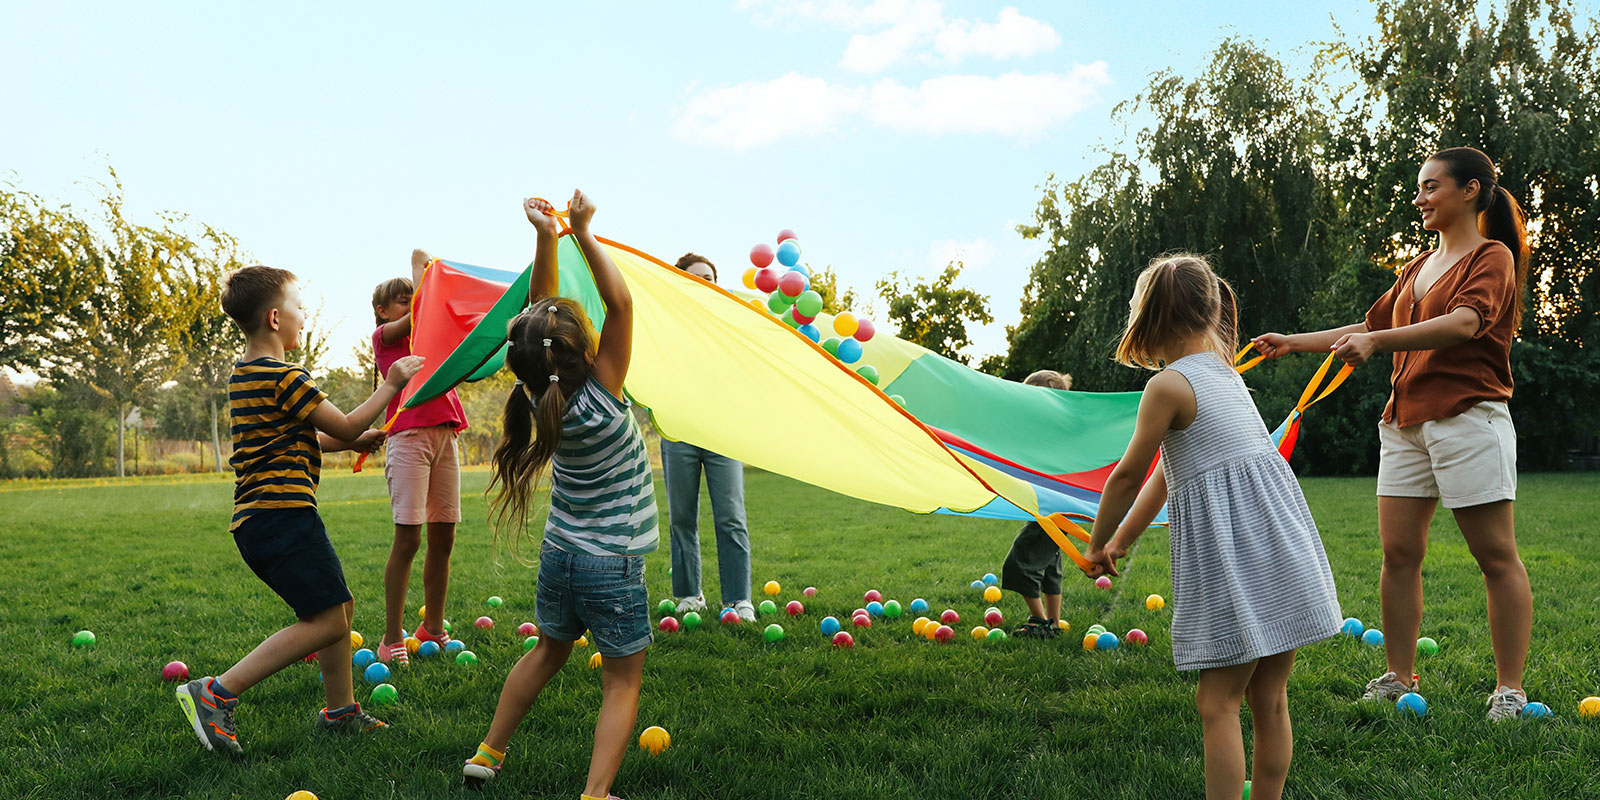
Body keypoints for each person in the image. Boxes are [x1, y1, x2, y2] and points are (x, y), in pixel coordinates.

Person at [1252, 146, 1535, 720]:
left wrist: (1378, 344)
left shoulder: (1492, 256)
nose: (1420, 197)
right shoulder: (1416, 267)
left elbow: (1465, 323)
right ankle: (1398, 675)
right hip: (1404, 423)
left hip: (1468, 418)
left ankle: (1509, 689)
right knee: (1398, 554)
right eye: (1420, 187)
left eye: (1432, 186)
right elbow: (1372, 325)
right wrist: (1293, 341)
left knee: (1495, 555)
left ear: (1471, 190)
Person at [1084, 254, 1340, 800]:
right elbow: (1168, 473)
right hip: (1280, 547)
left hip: (1236, 557)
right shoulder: (1225, 376)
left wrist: (1094, 542)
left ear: (1149, 317)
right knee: (1269, 698)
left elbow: (1128, 475)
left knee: (1216, 703)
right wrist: (1122, 541)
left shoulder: (1168, 386)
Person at [175, 265, 422, 755]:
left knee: (338, 607)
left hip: (265, 519)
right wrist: (391, 383)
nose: (303, 317)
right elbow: (348, 425)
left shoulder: (247, 377)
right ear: (273, 318)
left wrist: (351, 439)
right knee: (330, 620)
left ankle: (340, 712)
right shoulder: (285, 376)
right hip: (282, 515)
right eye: (298, 307)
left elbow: (305, 438)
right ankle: (216, 692)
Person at [462, 192, 655, 800]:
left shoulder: (542, 402)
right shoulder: (602, 393)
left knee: (547, 652)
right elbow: (621, 300)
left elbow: (538, 316)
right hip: (611, 565)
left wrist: (549, 235)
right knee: (622, 683)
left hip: (560, 557)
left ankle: (487, 754)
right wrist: (585, 232)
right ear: (581, 349)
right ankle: (595, 795)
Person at [369, 248, 469, 666]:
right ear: (381, 311)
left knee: (443, 537)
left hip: (445, 435)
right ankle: (392, 637)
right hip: (408, 438)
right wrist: (422, 272)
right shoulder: (385, 338)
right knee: (409, 539)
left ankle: (433, 627)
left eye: (414, 295)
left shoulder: (430, 333)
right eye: (401, 299)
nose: (412, 302)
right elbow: (420, 313)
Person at [661, 252, 755, 621]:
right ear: (681, 279)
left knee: (731, 516)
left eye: (711, 278)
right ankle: (689, 594)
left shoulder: (726, 323)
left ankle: (738, 599)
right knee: (681, 517)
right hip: (679, 431)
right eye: (697, 276)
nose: (705, 282)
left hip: (721, 433)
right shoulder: (665, 326)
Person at [1000, 369, 1073, 638]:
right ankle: (1053, 623)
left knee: (1020, 559)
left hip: (1054, 510)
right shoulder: (1058, 430)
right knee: (1050, 564)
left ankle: (1040, 622)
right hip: (1059, 509)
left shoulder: (1052, 431)